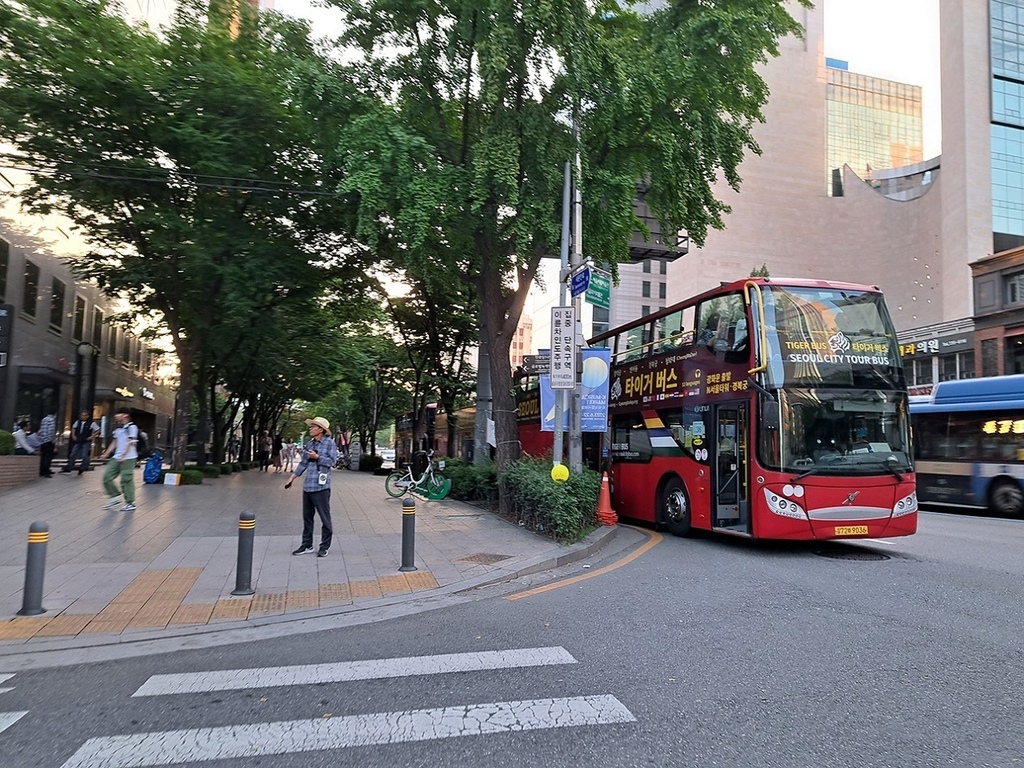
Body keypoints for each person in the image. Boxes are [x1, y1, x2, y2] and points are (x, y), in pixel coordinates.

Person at [284, 416, 338, 558]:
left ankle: (324, 546)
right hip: (308, 485)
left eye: (313, 426)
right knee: (307, 517)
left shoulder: (329, 443)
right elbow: (303, 463)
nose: (310, 429)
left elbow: (332, 462)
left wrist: (318, 457)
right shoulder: (309, 443)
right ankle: (307, 544)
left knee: (325, 517)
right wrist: (292, 478)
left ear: (320, 429)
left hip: (321, 487)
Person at [98, 408, 138, 512]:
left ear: (125, 415)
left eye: (118, 414)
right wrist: (106, 453)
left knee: (126, 479)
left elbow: (131, 442)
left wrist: (123, 456)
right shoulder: (118, 428)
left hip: (128, 458)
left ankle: (130, 502)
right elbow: (114, 442)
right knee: (107, 477)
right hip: (116, 457)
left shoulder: (132, 427)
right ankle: (114, 497)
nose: (116, 416)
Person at [61, 410, 99, 475]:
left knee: (84, 455)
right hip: (78, 441)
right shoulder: (78, 422)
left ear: (88, 416)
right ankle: (69, 468)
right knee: (73, 454)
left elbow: (98, 430)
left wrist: (92, 436)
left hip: (86, 441)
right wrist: (73, 435)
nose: (83, 417)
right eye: (82, 415)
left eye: (85, 415)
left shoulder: (91, 423)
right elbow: (73, 428)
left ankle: (82, 468)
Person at [36, 409, 57, 477]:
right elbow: (51, 431)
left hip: (42, 441)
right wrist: (52, 441)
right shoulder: (52, 420)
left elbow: (41, 430)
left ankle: (42, 471)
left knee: (43, 457)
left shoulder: (44, 419)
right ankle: (46, 471)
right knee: (48, 457)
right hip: (48, 441)